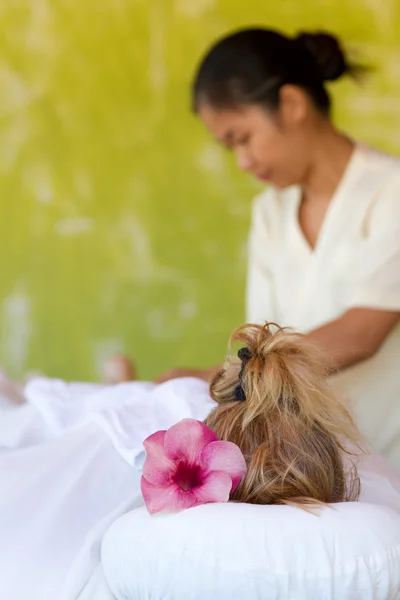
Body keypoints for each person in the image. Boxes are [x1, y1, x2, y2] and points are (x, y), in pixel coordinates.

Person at [1, 321, 399, 600]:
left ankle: (120, 385)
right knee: (48, 411)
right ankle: (119, 385)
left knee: (111, 399)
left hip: (199, 401)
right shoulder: (182, 428)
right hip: (165, 408)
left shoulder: (340, 453)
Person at [156, 28, 400, 469]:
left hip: (388, 453)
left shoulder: (390, 192)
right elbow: (260, 340)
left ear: (291, 104)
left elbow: (362, 332)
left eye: (242, 138)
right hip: (310, 464)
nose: (243, 162)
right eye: (230, 147)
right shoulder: (270, 211)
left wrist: (224, 375)